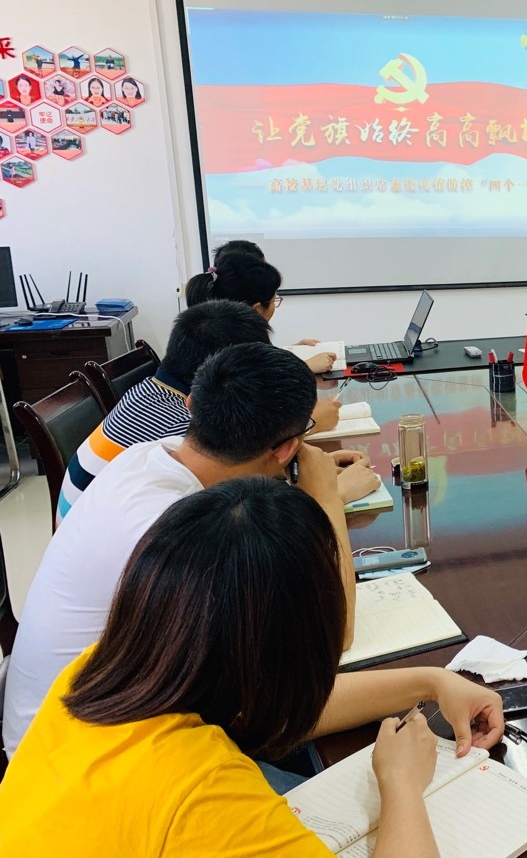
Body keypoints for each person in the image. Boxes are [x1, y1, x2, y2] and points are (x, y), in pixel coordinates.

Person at [0, 478, 503, 856]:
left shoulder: (103, 672)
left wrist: (431, 681)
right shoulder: (205, 798)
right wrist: (400, 784)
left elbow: (272, 705)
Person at [2, 342, 380, 757]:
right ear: (288, 448)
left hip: (51, 730)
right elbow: (335, 635)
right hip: (79, 764)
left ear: (191, 404)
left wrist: (307, 483)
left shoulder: (145, 456)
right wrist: (326, 500)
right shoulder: (186, 532)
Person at [57, 301, 277, 520]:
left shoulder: (147, 389)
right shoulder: (185, 432)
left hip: (81, 526)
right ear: (224, 373)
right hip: (109, 534)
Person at [193, 246, 336, 373]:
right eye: (274, 300)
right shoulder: (232, 346)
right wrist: (305, 367)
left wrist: (293, 352)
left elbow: (261, 365)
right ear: (257, 309)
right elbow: (255, 382)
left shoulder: (220, 329)